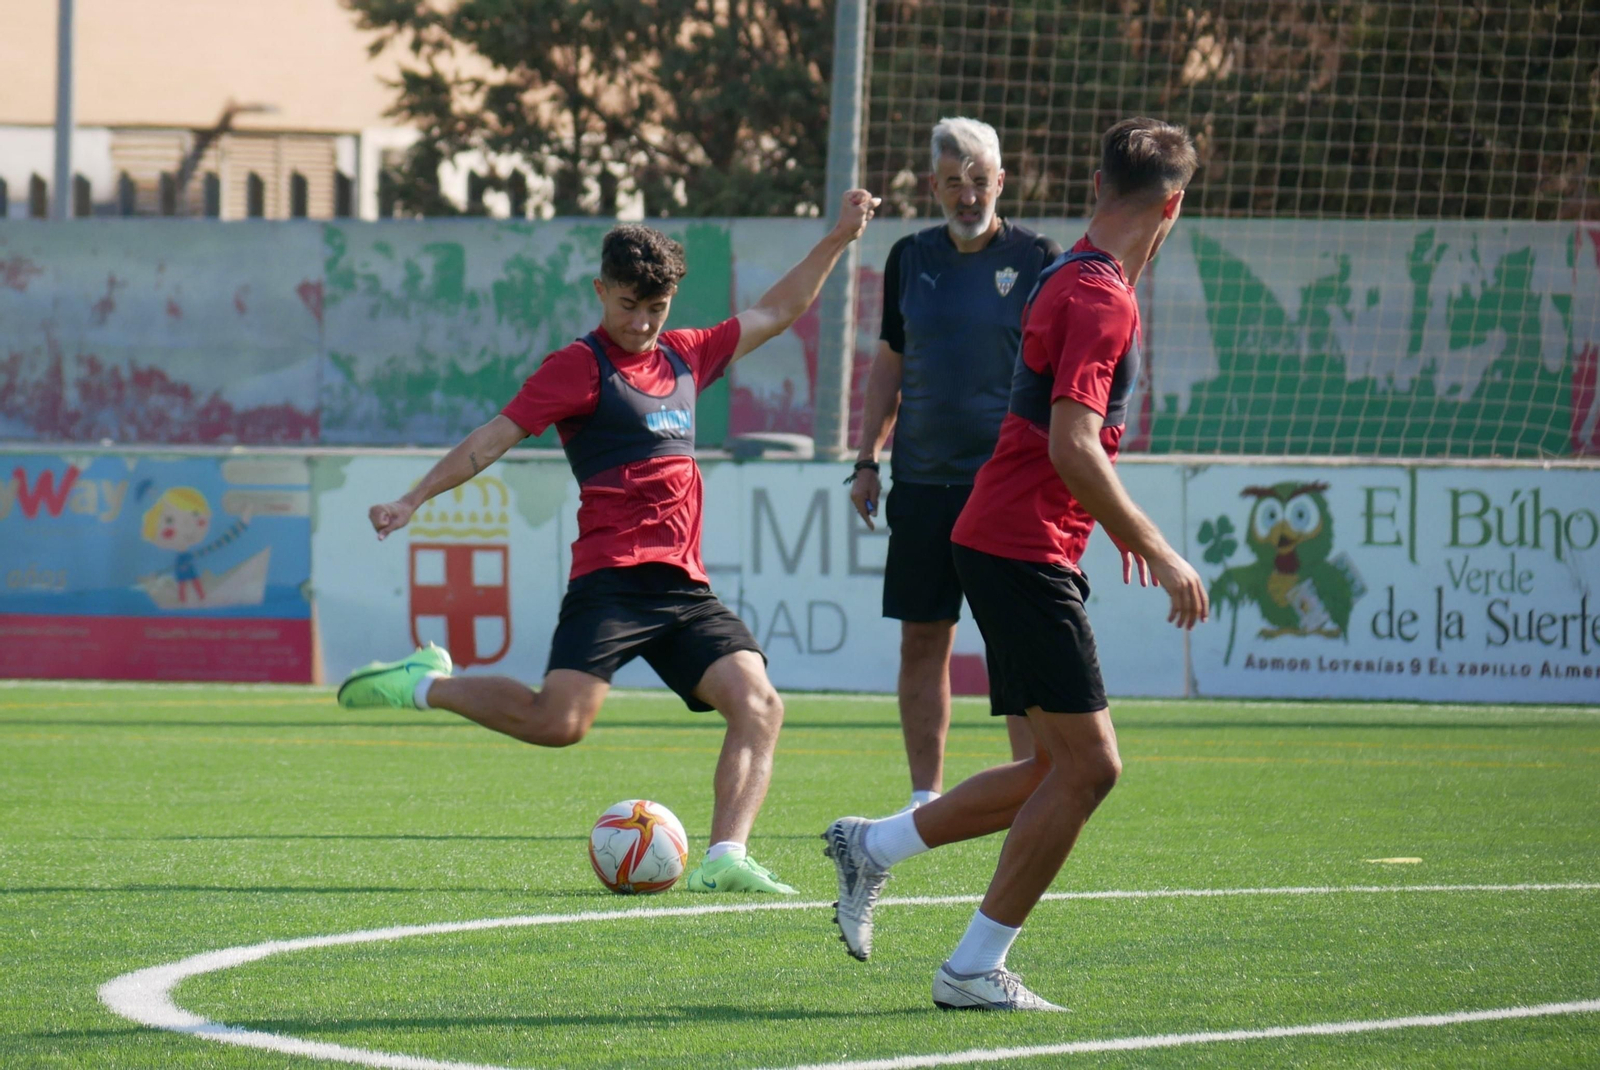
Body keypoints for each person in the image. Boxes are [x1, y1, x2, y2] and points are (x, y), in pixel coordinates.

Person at [338, 190, 879, 894]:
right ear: (601, 291)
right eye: (629, 305)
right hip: (613, 581)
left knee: (760, 704)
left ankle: (724, 860)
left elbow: (778, 311)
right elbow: (491, 440)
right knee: (558, 723)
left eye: (657, 308)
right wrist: (412, 498)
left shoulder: (686, 355)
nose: (644, 322)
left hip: (684, 587)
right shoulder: (577, 367)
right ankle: (426, 684)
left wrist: (837, 237)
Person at [824, 119, 1208, 1009]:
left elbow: (1058, 438)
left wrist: (1100, 524)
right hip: (1018, 544)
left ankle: (872, 847)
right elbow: (1074, 443)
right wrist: (1155, 543)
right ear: (1174, 207)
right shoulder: (1099, 295)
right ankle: (968, 969)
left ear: (1096, 181)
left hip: (1011, 536)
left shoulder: (1066, 272)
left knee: (1052, 770)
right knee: (1092, 768)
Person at [850, 117, 1062, 809]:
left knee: (1015, 643)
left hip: (1006, 488)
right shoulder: (909, 258)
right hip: (920, 483)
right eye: (953, 184)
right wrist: (866, 459)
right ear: (932, 187)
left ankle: (1028, 786)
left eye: (979, 182)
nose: (967, 196)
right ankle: (923, 797)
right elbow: (890, 364)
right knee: (922, 639)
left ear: (1001, 182)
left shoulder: (1039, 258)